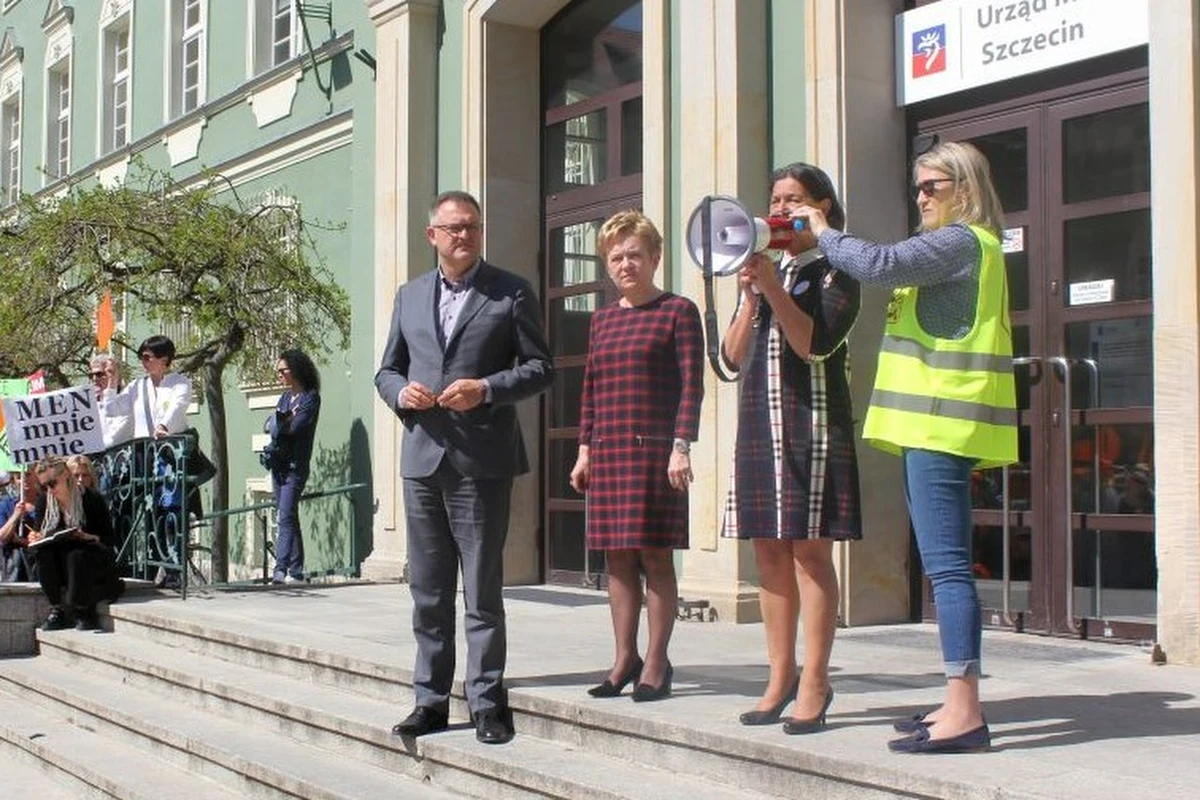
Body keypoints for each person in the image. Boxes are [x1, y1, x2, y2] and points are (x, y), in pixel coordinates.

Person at [794, 140, 1017, 754]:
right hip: (940, 425)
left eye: (932, 187)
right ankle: (954, 700)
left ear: (964, 191)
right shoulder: (971, 249)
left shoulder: (960, 242)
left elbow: (883, 263)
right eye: (916, 187)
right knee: (945, 565)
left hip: (940, 424)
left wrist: (823, 231)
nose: (920, 196)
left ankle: (965, 711)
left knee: (947, 568)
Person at [375, 190, 553, 745]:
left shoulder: (510, 292)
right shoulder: (409, 296)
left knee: (481, 589)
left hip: (482, 462)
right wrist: (402, 393)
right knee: (428, 592)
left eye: (472, 227)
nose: (464, 236)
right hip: (424, 460)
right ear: (432, 235)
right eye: (453, 228)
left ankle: (486, 702)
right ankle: (429, 700)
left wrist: (487, 389)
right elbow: (386, 371)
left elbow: (541, 367)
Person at [720, 164, 862, 734]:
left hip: (812, 423)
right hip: (760, 424)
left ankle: (815, 681)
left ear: (822, 206)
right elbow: (729, 359)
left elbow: (815, 345)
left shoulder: (840, 267)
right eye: (775, 199)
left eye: (794, 200)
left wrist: (775, 289)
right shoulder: (764, 270)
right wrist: (750, 298)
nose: (781, 210)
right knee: (769, 555)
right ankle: (779, 677)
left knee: (809, 554)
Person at [569, 211, 704, 703]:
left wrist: (681, 445)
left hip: (655, 455)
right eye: (616, 257)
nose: (626, 264)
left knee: (655, 557)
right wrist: (584, 451)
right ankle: (623, 657)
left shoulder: (678, 311)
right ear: (608, 265)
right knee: (617, 560)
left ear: (654, 258)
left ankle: (656, 661)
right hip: (608, 454)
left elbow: (693, 385)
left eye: (634, 255)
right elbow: (591, 390)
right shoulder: (603, 320)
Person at [25, 456, 123, 631]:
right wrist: (36, 536)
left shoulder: (90, 498)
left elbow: (108, 537)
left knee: (76, 555)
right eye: (44, 485)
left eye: (52, 483)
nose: (49, 489)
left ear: (66, 476)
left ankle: (82, 609)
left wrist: (88, 536)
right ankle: (56, 609)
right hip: (58, 555)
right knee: (43, 555)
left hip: (89, 552)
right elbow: (39, 530)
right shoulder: (45, 501)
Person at [267, 349, 322, 584]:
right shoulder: (285, 398)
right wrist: (282, 421)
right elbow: (272, 426)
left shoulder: (310, 397)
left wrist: (282, 422)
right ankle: (296, 571)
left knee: (285, 516)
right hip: (278, 464)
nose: (279, 374)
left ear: (296, 370)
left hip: (295, 466)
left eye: (283, 370)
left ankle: (280, 570)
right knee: (290, 516)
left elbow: (296, 427)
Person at [103, 335, 193, 440]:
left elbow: (177, 407)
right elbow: (111, 410)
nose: (143, 362)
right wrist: (112, 380)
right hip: (144, 450)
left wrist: (163, 426)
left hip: (171, 447)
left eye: (146, 357)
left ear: (164, 360)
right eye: (141, 358)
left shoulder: (181, 383)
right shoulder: (136, 386)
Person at [91, 354, 133, 449]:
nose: (94, 379)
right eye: (91, 375)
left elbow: (115, 439)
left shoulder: (126, 401)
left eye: (99, 374)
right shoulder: (90, 405)